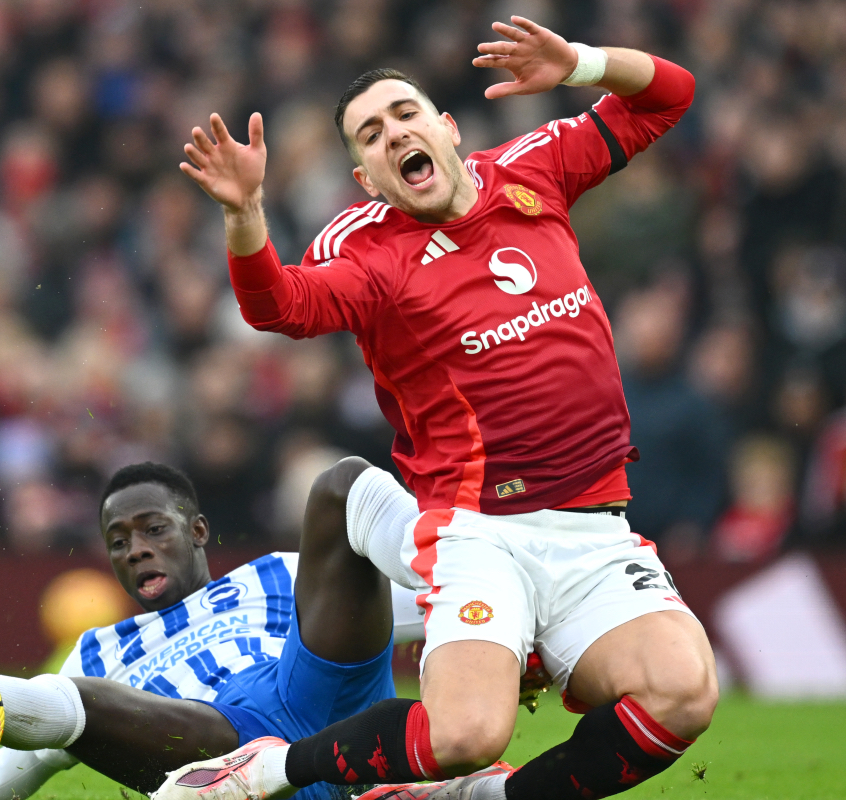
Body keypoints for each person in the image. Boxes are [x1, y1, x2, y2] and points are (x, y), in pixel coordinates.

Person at [159, 15, 717, 800]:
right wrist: (244, 213)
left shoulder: (536, 168)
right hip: (479, 529)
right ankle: (268, 769)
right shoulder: (368, 250)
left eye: (404, 115)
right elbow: (278, 306)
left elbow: (670, 95)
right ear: (366, 178)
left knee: (685, 693)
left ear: (447, 128)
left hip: (594, 526)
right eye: (370, 136)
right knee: (464, 734)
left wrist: (579, 64)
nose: (393, 136)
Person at [0, 460, 511, 800]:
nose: (134, 548)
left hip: (317, 688)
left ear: (196, 530)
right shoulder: (95, 652)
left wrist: (513, 635)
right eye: (117, 539)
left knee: (341, 486)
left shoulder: (272, 573)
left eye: (151, 528)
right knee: (68, 702)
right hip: (213, 754)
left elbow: (441, 614)